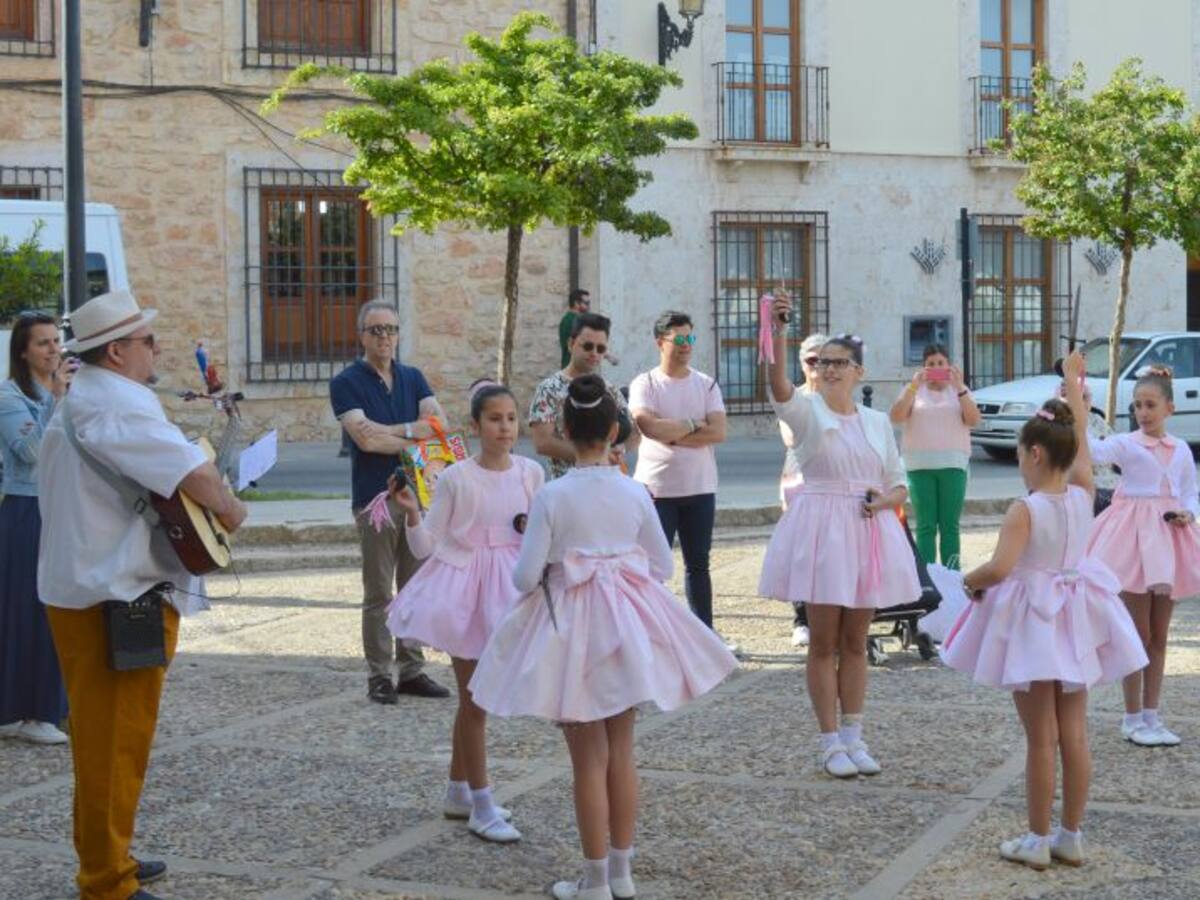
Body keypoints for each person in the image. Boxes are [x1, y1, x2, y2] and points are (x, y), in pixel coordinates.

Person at [469, 374, 738, 900]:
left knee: (587, 760)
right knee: (622, 750)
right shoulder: (634, 491)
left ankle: (594, 880)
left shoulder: (553, 494)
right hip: (623, 627)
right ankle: (621, 873)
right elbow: (663, 565)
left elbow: (524, 578)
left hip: (571, 630)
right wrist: (616, 561)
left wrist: (561, 561)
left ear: (566, 430)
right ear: (615, 431)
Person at [37, 289, 248, 900]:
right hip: (114, 598)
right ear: (117, 351)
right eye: (147, 340)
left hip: (93, 592)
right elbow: (195, 474)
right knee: (114, 743)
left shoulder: (86, 399)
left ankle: (108, 854)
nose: (156, 349)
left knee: (105, 741)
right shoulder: (119, 404)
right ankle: (107, 882)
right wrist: (232, 510)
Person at [940, 352, 1147, 870]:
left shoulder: (1025, 508)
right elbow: (1081, 447)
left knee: (1040, 739)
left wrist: (967, 581)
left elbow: (1000, 567)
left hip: (1036, 622)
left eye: (1019, 454)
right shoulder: (1083, 492)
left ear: (1034, 453)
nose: (1018, 462)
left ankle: (1036, 838)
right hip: (1075, 617)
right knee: (1073, 733)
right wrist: (1073, 385)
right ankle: (1070, 833)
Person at [759, 293, 920, 779]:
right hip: (824, 531)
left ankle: (854, 735)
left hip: (867, 529)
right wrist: (778, 330)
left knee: (856, 640)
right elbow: (778, 386)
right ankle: (829, 741)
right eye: (822, 362)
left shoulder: (876, 422)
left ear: (858, 372)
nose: (828, 369)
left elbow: (899, 481)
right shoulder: (807, 412)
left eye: (838, 363)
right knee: (823, 641)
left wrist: (884, 501)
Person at [384, 380, 543, 844]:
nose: (505, 428)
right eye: (494, 419)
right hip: (466, 591)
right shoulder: (456, 478)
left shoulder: (531, 473)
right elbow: (426, 546)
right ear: (475, 426)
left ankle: (459, 792)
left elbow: (538, 532)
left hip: (510, 587)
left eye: (511, 418)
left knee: (477, 700)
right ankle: (483, 805)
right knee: (475, 700)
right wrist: (412, 513)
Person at [330, 300, 451, 704]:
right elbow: (365, 440)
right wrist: (413, 436)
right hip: (376, 500)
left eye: (391, 329)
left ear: (399, 334)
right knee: (380, 592)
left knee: (414, 588)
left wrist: (391, 431)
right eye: (376, 330)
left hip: (417, 498)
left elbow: (440, 426)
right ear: (362, 336)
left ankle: (412, 669)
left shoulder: (413, 377)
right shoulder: (346, 382)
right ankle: (380, 675)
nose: (385, 337)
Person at [1084, 366, 1200, 748]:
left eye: (1150, 405)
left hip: (1168, 541)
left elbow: (1190, 491)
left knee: (1160, 636)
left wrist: (1188, 513)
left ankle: (1153, 715)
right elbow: (1092, 451)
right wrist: (1080, 409)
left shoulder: (1181, 449)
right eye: (1137, 405)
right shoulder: (1127, 444)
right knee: (1138, 634)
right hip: (1132, 544)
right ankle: (1132, 717)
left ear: (1169, 407)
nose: (1143, 412)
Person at [629, 311, 727, 637]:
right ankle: (652, 633)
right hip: (656, 490)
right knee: (652, 568)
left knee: (698, 565)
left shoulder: (706, 384)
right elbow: (648, 426)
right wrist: (693, 424)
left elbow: (718, 432)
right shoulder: (645, 383)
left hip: (699, 488)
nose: (687, 345)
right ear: (661, 342)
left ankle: (704, 634)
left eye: (690, 338)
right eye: (680, 339)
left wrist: (672, 435)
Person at [0, 312, 71, 745]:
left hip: (60, 507)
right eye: (43, 343)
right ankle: (32, 713)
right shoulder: (8, 396)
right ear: (23, 351)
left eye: (56, 341)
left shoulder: (65, 392)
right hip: (26, 509)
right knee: (28, 611)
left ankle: (48, 706)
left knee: (59, 607)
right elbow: (30, 451)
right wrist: (56, 400)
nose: (53, 350)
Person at [888, 344, 980, 570]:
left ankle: (952, 574)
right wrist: (913, 386)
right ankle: (927, 575)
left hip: (953, 466)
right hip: (919, 467)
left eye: (941, 363)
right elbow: (896, 416)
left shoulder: (959, 391)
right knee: (925, 526)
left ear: (949, 366)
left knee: (950, 525)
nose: (936, 367)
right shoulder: (913, 390)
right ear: (923, 367)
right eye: (931, 364)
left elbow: (973, 420)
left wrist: (960, 387)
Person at [530, 312, 639, 481]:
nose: (594, 353)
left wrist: (620, 449)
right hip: (566, 488)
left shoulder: (609, 389)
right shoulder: (549, 389)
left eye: (601, 349)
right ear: (571, 344)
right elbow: (542, 443)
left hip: (607, 487)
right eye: (588, 346)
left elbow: (635, 433)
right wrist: (597, 456)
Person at [780, 332, 827, 648]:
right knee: (801, 552)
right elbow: (791, 437)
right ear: (802, 363)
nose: (818, 366)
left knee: (829, 551)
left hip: (832, 481)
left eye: (824, 360)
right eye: (812, 360)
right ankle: (801, 618)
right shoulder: (794, 398)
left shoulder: (839, 398)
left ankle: (828, 613)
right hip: (798, 478)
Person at [559, 289, 591, 368]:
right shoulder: (572, 321)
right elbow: (581, 345)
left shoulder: (570, 319)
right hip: (574, 368)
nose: (589, 307)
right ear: (576, 303)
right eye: (586, 303)